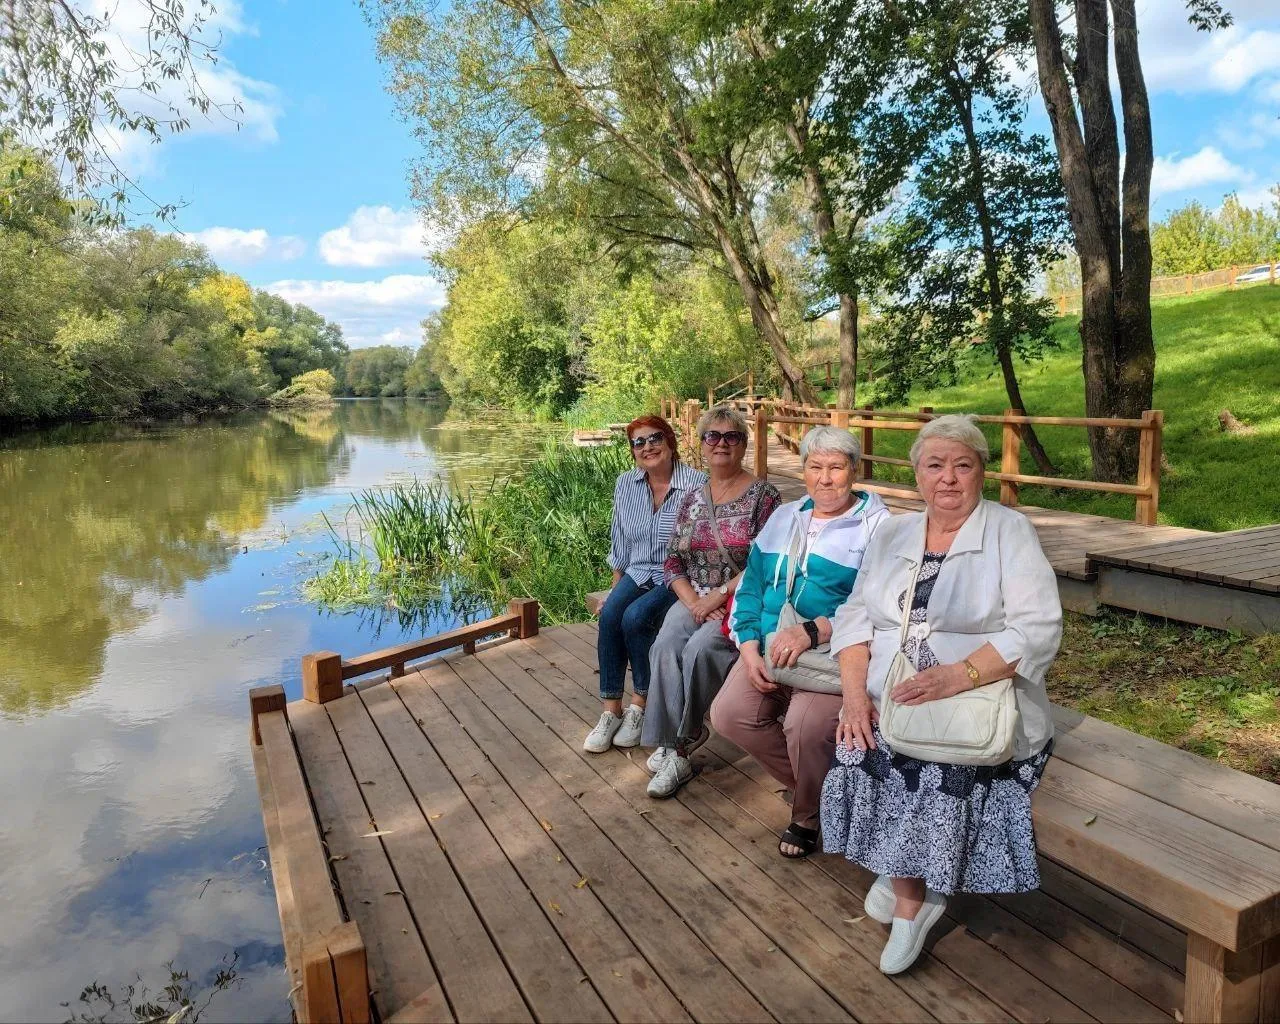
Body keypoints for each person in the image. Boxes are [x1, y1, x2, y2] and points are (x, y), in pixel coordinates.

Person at [821, 414, 1062, 976]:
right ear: (917, 475)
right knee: (858, 744)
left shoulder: (1008, 530)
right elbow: (854, 615)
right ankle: (902, 866)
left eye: (963, 465)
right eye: (935, 465)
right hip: (891, 696)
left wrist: (955, 676)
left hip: (978, 703)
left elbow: (1038, 629)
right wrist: (855, 697)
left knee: (926, 772)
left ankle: (917, 902)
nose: (948, 478)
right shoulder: (893, 532)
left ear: (982, 472)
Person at [710, 426, 890, 857]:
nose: (825, 478)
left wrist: (815, 629)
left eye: (836, 467)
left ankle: (806, 815)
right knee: (729, 715)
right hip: (771, 647)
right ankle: (825, 795)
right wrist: (749, 647)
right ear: (804, 470)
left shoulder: (879, 528)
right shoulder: (784, 517)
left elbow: (878, 603)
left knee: (805, 726)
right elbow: (751, 585)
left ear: (854, 470)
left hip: (835, 654)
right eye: (815, 467)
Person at [641, 405, 781, 798]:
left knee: (701, 650)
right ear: (701, 444)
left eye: (731, 437)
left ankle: (683, 745)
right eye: (713, 436)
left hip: (740, 598)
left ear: (743, 445)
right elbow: (672, 559)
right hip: (695, 599)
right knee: (666, 645)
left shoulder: (764, 496)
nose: (721, 444)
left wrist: (720, 597)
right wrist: (694, 602)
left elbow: (764, 563)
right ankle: (669, 739)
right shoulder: (690, 497)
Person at [584, 416, 706, 753]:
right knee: (610, 615)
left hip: (677, 575)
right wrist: (613, 590)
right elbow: (620, 538)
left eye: (654, 439)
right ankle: (611, 710)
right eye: (639, 442)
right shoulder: (626, 483)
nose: (647, 447)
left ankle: (640, 703)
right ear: (633, 451)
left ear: (669, 442)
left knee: (635, 618)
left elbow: (700, 543)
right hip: (638, 570)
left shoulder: (697, 483)